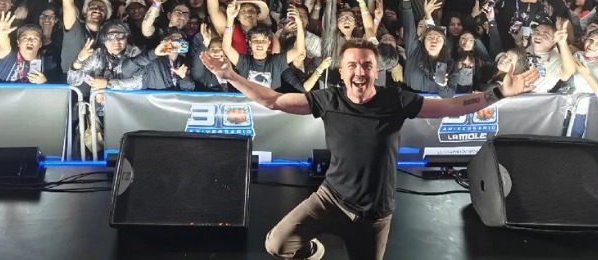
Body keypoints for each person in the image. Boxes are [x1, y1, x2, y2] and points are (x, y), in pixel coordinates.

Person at [200, 39, 538, 260]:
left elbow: (450, 107)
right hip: (330, 198)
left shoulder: (397, 100)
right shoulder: (328, 99)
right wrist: (230, 75)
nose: (359, 71)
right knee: (277, 244)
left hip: (375, 213)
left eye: (366, 65)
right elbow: (273, 100)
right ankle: (313, 251)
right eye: (352, 65)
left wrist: (498, 94)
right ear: (341, 71)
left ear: (376, 71)